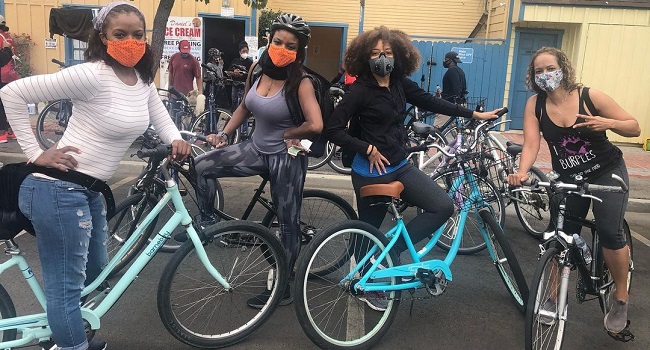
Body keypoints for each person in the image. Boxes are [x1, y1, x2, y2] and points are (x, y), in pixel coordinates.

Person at [0, 2, 191, 349]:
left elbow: (159, 116)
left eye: (138, 35)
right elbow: (12, 92)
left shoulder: (141, 79)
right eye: (120, 34)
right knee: (67, 287)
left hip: (89, 191)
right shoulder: (91, 74)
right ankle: (71, 344)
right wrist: (36, 153)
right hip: (57, 190)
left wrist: (176, 138)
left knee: (96, 274)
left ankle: (64, 329)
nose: (130, 41)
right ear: (103, 37)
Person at [323, 26, 500, 311]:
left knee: (442, 206)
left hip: (400, 165)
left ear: (398, 55)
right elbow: (332, 129)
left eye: (388, 53)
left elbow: (431, 101)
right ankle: (365, 279)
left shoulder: (399, 83)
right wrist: (366, 148)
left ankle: (386, 256)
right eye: (376, 53)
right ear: (365, 58)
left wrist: (474, 113)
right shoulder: (359, 92)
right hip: (370, 170)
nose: (383, 58)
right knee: (369, 228)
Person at [507, 47, 639, 337]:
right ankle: (553, 298)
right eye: (538, 71)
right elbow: (531, 144)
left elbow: (635, 127)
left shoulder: (591, 96)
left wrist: (610, 124)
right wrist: (523, 171)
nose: (545, 75)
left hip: (606, 172)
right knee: (559, 236)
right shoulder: (536, 105)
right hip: (570, 179)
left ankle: (620, 298)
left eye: (550, 68)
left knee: (609, 231)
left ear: (563, 68)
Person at [193, 13, 321, 309]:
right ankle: (209, 224)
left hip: (285, 158)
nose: (282, 49)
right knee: (201, 166)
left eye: (290, 46)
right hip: (254, 149)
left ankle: (284, 286)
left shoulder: (301, 82)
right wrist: (223, 135)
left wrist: (291, 132)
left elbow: (315, 124)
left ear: (299, 51)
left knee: (287, 224)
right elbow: (243, 108)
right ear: (269, 41)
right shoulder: (256, 70)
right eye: (278, 42)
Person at [0, 15, 16, 143]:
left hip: (3, 74)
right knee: (8, 103)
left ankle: (2, 133)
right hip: (11, 74)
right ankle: (11, 131)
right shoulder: (8, 36)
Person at [225, 40, 253, 109]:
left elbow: (251, 75)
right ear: (239, 52)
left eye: (246, 51)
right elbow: (228, 72)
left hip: (244, 86)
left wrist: (242, 75)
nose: (245, 53)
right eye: (243, 51)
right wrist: (234, 72)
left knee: (243, 105)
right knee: (234, 103)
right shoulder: (235, 61)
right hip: (235, 85)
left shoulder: (250, 62)